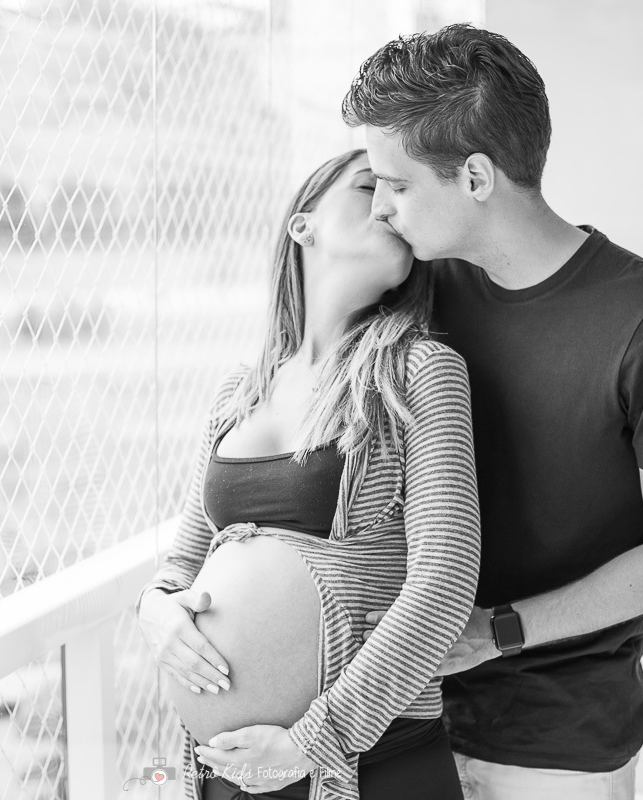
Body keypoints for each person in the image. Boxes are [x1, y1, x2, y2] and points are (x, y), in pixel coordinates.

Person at [348, 25, 643, 800]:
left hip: (557, 746)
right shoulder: (417, 291)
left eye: (396, 185)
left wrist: (498, 631)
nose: (381, 210)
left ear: (476, 177)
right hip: (395, 719)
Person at [134, 148, 481, 800]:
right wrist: (153, 609)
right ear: (304, 225)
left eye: (400, 191)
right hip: (224, 772)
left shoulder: (421, 371)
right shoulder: (237, 394)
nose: (389, 205)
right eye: (369, 187)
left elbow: (445, 582)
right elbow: (182, 563)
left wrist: (311, 743)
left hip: (372, 761)